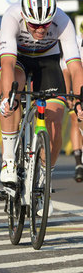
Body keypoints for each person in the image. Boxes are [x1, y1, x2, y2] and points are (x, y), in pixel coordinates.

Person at [0, 0, 83, 215]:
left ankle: (44, 182)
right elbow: (6, 63)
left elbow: (75, 67)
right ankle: (8, 160)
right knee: (13, 94)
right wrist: (7, 97)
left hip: (48, 61)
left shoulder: (63, 21)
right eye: (34, 25)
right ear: (25, 16)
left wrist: (79, 99)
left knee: (55, 121)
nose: (40, 29)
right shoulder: (11, 17)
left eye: (45, 24)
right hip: (19, 59)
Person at [61, 22, 83, 182]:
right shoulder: (75, 42)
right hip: (78, 87)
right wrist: (70, 96)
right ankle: (78, 163)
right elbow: (66, 70)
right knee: (76, 119)